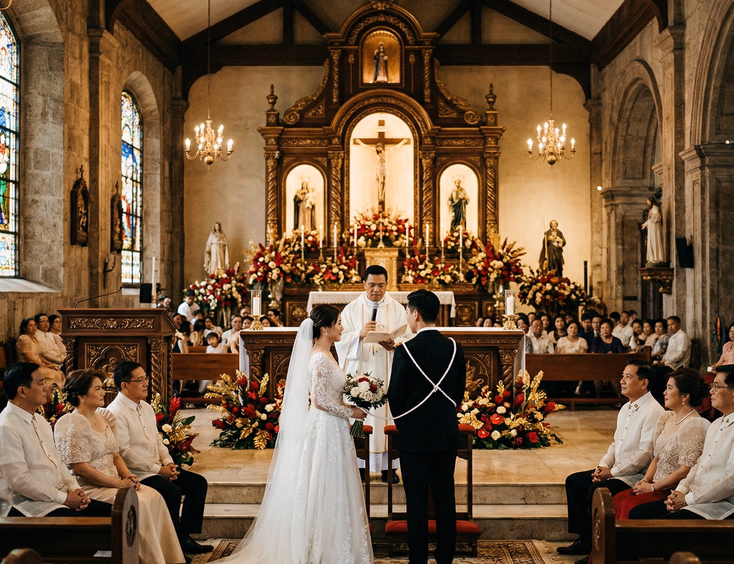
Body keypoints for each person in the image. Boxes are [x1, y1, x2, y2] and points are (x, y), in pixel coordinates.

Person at [220, 305, 373, 563]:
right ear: (325, 328)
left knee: (333, 484)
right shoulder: (320, 358)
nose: (342, 328)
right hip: (326, 427)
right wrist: (352, 412)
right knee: (325, 484)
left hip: (333, 427)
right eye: (338, 323)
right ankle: (320, 548)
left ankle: (333, 543)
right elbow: (321, 401)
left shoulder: (325, 353)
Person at [54, 370, 185, 564]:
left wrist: (128, 475)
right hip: (93, 488)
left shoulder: (102, 418)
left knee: (154, 496)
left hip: (114, 482)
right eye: (97, 389)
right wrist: (118, 484)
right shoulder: (73, 423)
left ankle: (167, 558)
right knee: (140, 503)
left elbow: (115, 454)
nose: (102, 393)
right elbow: (81, 469)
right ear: (81, 395)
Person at [388, 290, 467, 564]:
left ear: (415, 314)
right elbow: (458, 393)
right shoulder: (455, 347)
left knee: (417, 501)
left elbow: (395, 398)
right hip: (446, 434)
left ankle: (418, 558)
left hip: (414, 438)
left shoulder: (405, 350)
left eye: (408, 312)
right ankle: (446, 557)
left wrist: (408, 425)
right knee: (445, 497)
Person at [557, 361, 664, 563]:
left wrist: (612, 473)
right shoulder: (625, 408)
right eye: (622, 376)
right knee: (575, 481)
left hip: (636, 475)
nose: (621, 381)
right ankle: (584, 540)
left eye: (628, 377)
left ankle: (596, 549)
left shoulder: (653, 412)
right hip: (617, 470)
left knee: (595, 490)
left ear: (644, 383)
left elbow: (644, 455)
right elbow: (616, 443)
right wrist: (603, 466)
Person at [107, 362, 212, 556]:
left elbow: (156, 439)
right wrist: (158, 470)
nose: (146, 383)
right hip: (138, 473)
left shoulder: (145, 407)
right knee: (171, 492)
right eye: (140, 380)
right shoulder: (115, 412)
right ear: (124, 385)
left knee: (198, 483)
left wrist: (168, 462)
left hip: (156, 468)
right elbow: (125, 452)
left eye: (146, 378)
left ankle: (183, 537)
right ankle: (169, 548)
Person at [0, 363, 110, 518]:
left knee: (115, 513)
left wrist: (75, 489)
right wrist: (64, 499)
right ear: (22, 391)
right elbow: (19, 480)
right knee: (89, 525)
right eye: (40, 383)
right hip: (26, 504)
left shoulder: (39, 420)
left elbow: (57, 461)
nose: (46, 387)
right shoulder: (6, 426)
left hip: (58, 496)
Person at [335, 264, 410, 483]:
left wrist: (394, 344)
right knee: (360, 416)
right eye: (371, 285)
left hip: (388, 375)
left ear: (387, 284)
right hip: (360, 374)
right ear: (364, 284)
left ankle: (390, 468)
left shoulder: (397, 309)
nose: (376, 290)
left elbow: (407, 337)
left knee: (389, 417)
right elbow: (339, 340)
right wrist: (359, 334)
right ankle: (359, 464)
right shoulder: (351, 309)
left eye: (380, 285)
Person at [629, 365, 734, 520]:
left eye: (717, 386)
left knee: (652, 524)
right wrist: (681, 490)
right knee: (637, 513)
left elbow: (730, 480)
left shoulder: (699, 424)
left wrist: (687, 499)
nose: (711, 391)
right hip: (694, 496)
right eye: (712, 386)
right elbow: (698, 464)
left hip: (719, 504)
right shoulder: (716, 424)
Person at [613, 369, 709, 519]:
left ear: (684, 396)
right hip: (654, 483)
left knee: (630, 507)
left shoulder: (694, 425)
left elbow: (685, 470)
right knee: (618, 499)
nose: (664, 392)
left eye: (670, 388)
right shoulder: (668, 418)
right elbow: (656, 458)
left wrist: (652, 487)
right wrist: (645, 481)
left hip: (670, 489)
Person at [16, 318, 64, 402]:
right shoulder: (24, 338)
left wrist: (49, 363)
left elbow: (38, 355)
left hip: (37, 364)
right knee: (53, 375)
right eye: (30, 326)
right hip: (28, 366)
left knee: (59, 372)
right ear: (24, 328)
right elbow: (30, 358)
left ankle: (59, 399)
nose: (34, 327)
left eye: (35, 325)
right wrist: (46, 366)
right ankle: (49, 400)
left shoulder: (33, 338)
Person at [641, 197, 666, 265]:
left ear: (651, 201)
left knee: (655, 241)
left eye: (648, 201)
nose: (647, 203)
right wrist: (645, 224)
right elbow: (650, 220)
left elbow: (658, 217)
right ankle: (652, 258)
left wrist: (651, 215)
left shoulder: (655, 208)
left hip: (655, 229)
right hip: (652, 228)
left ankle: (656, 257)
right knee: (651, 242)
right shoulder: (652, 209)